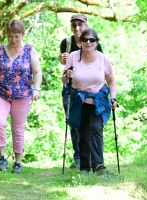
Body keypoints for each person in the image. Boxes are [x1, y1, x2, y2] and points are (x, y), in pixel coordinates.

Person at [0, 19, 42, 173]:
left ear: (22, 34)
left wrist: (36, 89)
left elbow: (37, 72)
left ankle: (18, 162)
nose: (13, 40)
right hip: (0, 93)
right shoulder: (0, 50)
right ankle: (2, 157)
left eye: (17, 36)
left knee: (18, 128)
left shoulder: (29, 50)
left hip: (22, 95)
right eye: (10, 36)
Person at [62, 28, 118, 175]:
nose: (88, 42)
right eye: (85, 39)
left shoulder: (102, 58)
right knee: (83, 133)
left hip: (98, 99)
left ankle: (99, 165)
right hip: (79, 99)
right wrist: (67, 74)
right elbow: (65, 80)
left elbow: (111, 81)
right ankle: (85, 167)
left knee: (96, 128)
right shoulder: (73, 57)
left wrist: (113, 98)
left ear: (96, 43)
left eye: (92, 40)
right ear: (80, 42)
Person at [58, 13, 103, 169]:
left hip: (92, 90)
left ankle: (92, 160)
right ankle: (78, 158)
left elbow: (100, 63)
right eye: (74, 25)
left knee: (93, 125)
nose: (77, 28)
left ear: (85, 25)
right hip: (71, 88)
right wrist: (62, 60)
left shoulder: (93, 41)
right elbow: (64, 66)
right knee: (74, 123)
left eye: (80, 24)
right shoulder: (67, 42)